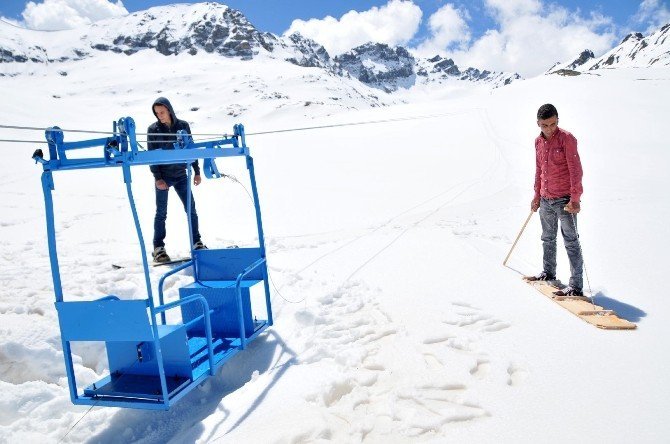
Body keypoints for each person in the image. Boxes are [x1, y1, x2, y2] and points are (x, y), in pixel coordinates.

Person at [526, 104, 584, 296]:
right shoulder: (538, 142)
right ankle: (548, 273)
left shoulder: (567, 139)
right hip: (545, 199)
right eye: (545, 125)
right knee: (547, 238)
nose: (549, 129)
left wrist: (575, 199)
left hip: (565, 200)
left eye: (553, 124)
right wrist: (536, 196)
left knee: (571, 241)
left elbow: (575, 170)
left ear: (558, 120)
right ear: (538, 124)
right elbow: (538, 170)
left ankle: (575, 286)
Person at [147, 97, 206, 263]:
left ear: (170, 110)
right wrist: (158, 178)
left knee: (190, 209)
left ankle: (197, 242)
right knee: (161, 213)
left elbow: (190, 149)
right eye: (157, 113)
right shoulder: (153, 129)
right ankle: (158, 248)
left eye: (162, 112)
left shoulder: (183, 126)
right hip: (163, 177)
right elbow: (151, 156)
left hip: (181, 174)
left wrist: (197, 171)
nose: (160, 116)